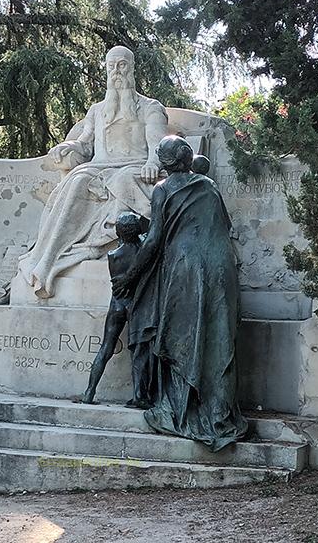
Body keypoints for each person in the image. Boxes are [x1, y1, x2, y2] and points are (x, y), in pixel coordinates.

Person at [112, 136, 247, 451]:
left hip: (186, 267)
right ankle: (218, 414)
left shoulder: (163, 189)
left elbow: (155, 240)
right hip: (221, 266)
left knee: (181, 336)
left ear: (164, 161)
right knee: (219, 339)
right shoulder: (209, 186)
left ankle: (181, 410)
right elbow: (220, 227)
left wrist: (130, 277)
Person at [17, 46, 168, 298]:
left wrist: (153, 163)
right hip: (98, 168)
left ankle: (79, 251)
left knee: (118, 181)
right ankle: (47, 259)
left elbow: (158, 145)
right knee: (76, 181)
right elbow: (85, 144)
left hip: (134, 168)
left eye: (121, 65)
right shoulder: (97, 110)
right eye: (111, 66)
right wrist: (68, 145)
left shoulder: (149, 107)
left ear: (131, 68)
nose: (116, 71)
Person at [80, 213, 153, 407]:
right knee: (139, 350)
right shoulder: (143, 250)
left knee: (106, 348)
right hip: (137, 304)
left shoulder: (113, 255)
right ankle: (139, 395)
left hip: (117, 304)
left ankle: (89, 392)